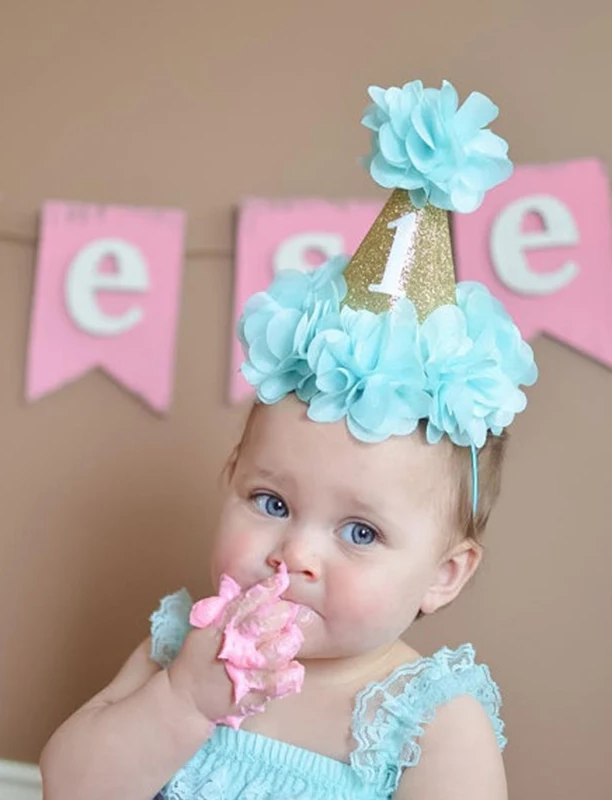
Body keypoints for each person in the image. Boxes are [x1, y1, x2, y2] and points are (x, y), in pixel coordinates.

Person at [39, 78, 537, 800]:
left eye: (361, 531)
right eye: (270, 502)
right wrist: (181, 700)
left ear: (444, 574)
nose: (295, 554)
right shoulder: (184, 647)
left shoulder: (429, 724)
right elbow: (69, 787)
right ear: (231, 476)